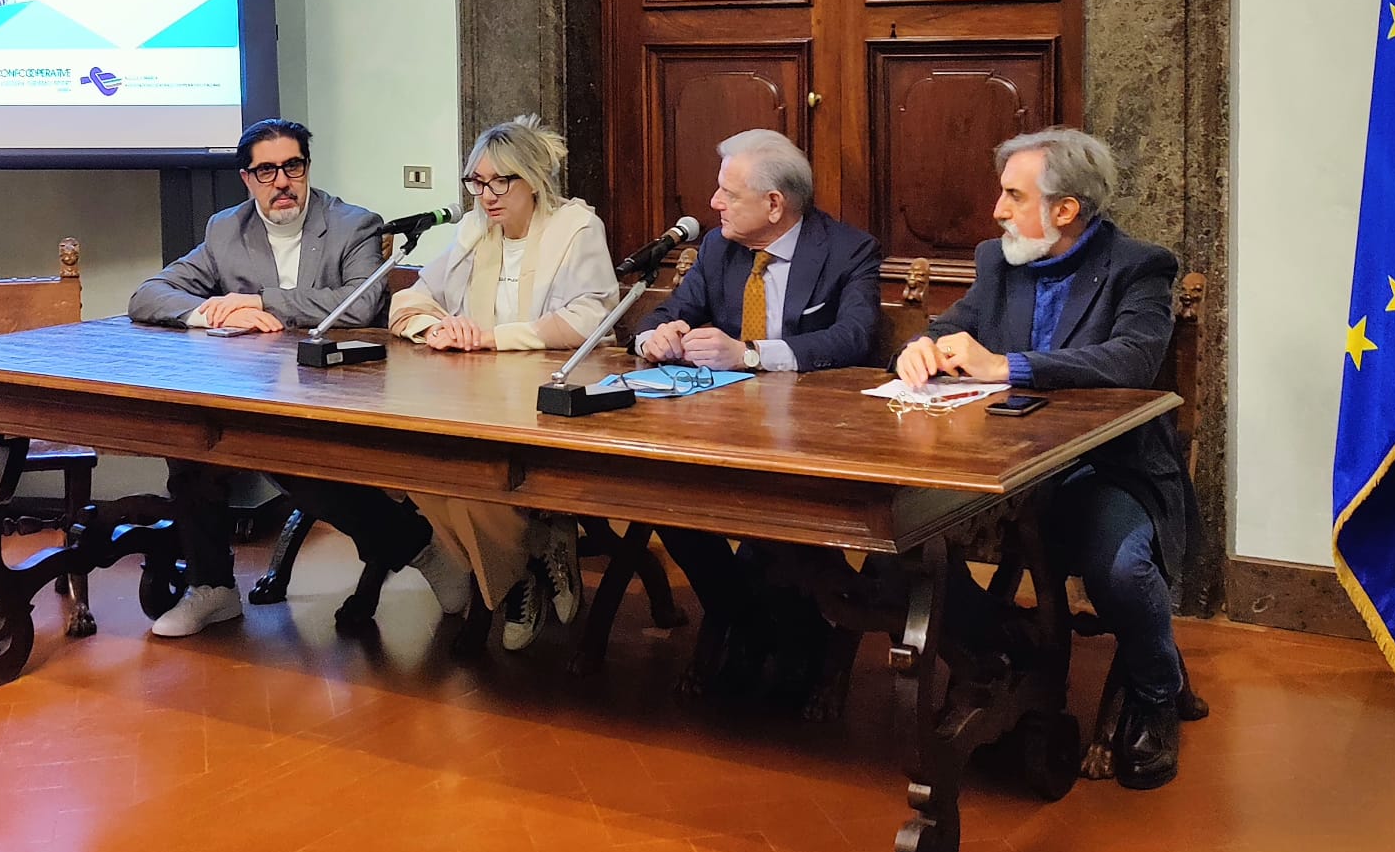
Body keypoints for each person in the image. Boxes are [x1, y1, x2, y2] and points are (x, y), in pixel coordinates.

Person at [896, 126, 1186, 790]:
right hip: (999, 464)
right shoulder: (1000, 260)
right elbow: (952, 327)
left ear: (1065, 209)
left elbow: (1132, 360)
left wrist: (1008, 366)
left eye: (1013, 195)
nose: (997, 209)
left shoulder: (1139, 266)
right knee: (902, 542)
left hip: (1104, 466)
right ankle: (1000, 651)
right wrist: (919, 349)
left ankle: (1155, 692)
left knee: (1121, 570)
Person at [129, 118, 472, 635]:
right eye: (266, 171)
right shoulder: (226, 229)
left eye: (293, 166)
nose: (282, 182)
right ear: (247, 179)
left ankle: (420, 548)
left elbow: (359, 304)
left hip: (334, 386)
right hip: (250, 387)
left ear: (307, 168)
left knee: (304, 473)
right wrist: (209, 312)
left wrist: (260, 301)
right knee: (189, 452)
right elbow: (149, 294)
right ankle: (213, 588)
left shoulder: (353, 224)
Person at [634, 129, 882, 700]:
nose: (714, 203)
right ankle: (742, 619)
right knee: (658, 494)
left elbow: (854, 337)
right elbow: (668, 313)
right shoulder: (718, 248)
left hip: (811, 433)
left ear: (774, 204)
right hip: (722, 426)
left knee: (773, 519)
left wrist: (749, 354)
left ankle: (793, 637)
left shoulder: (848, 250)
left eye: (728, 193)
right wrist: (656, 337)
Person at [389, 115, 619, 651]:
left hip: (551, 400)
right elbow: (409, 301)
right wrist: (440, 329)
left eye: (500, 182)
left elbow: (591, 317)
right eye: (477, 182)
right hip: (478, 395)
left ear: (533, 179)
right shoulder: (475, 233)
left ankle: (516, 573)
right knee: (424, 469)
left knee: (472, 475)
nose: (487, 195)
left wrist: (492, 338)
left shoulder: (575, 228)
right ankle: (527, 564)